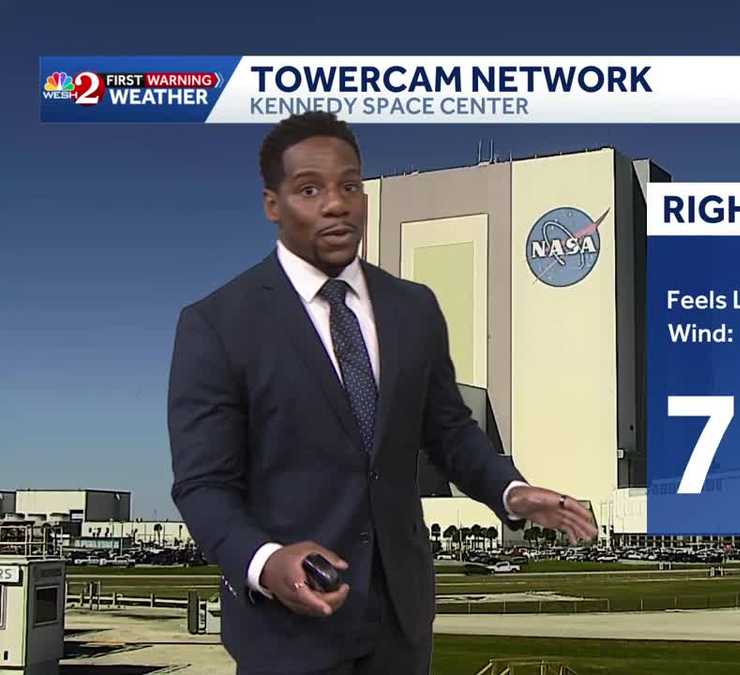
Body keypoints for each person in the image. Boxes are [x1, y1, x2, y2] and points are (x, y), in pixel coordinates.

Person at [167, 111, 598, 674]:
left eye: (350, 186)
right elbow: (203, 485)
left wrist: (508, 490)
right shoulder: (218, 324)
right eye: (310, 190)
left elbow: (449, 432)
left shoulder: (413, 309)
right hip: (289, 631)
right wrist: (265, 561)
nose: (336, 204)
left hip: (400, 624)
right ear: (273, 204)